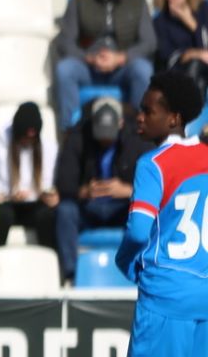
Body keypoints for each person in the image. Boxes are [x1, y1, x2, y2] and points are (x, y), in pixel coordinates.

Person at [107, 72, 208, 357]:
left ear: (175, 117)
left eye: (149, 109)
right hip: (204, 291)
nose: (139, 116)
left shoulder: (154, 163)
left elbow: (138, 231)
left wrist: (126, 262)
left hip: (166, 292)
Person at [55, 0, 156, 131]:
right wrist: (89, 58)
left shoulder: (137, 0)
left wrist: (121, 58)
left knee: (143, 69)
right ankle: (70, 131)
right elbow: (64, 42)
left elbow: (149, 42)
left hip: (122, 67)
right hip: (88, 67)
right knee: (65, 69)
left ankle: (138, 132)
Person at [52, 94, 148, 285]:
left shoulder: (137, 140)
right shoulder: (77, 137)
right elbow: (64, 182)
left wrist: (128, 190)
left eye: (109, 134)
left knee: (145, 214)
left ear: (120, 124)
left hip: (123, 207)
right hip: (88, 206)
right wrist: (84, 191)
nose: (105, 140)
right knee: (65, 211)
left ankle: (143, 271)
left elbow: (152, 185)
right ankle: (70, 275)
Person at [0, 101, 58, 258]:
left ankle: (52, 265)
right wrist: (5, 195)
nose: (28, 141)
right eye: (24, 137)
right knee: (3, 215)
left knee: (46, 216)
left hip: (35, 205)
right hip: (6, 205)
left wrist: (51, 195)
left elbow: (52, 183)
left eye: (32, 138)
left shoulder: (49, 149)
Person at [152, 0, 208, 81]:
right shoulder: (159, 21)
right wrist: (192, 54)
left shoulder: (204, 10)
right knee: (196, 65)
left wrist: (192, 24)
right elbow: (166, 55)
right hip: (177, 73)